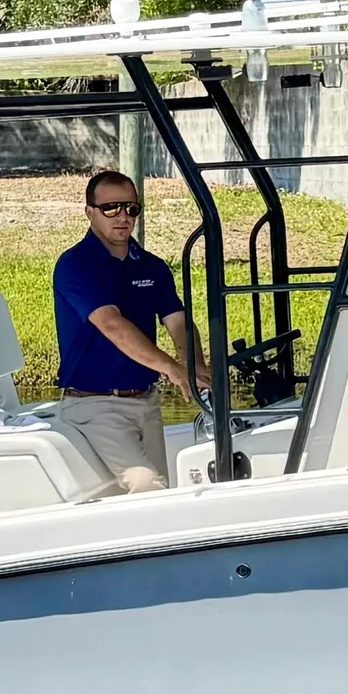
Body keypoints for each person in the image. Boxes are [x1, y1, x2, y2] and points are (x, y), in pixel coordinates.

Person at [48, 167, 200, 492]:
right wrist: (172, 368)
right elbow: (112, 325)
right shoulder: (76, 265)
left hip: (147, 400)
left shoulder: (151, 266)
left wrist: (194, 364)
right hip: (95, 405)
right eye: (110, 208)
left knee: (166, 490)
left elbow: (177, 320)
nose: (123, 217)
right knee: (147, 485)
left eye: (131, 208)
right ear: (90, 212)